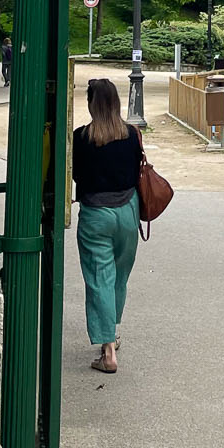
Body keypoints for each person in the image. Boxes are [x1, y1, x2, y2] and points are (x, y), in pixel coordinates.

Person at [72, 76, 142, 373]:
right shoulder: (132, 134)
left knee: (100, 277)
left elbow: (76, 175)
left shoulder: (81, 137)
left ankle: (108, 350)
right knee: (118, 276)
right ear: (116, 102)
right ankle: (112, 331)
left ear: (91, 104)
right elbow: (136, 171)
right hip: (128, 211)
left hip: (96, 215)